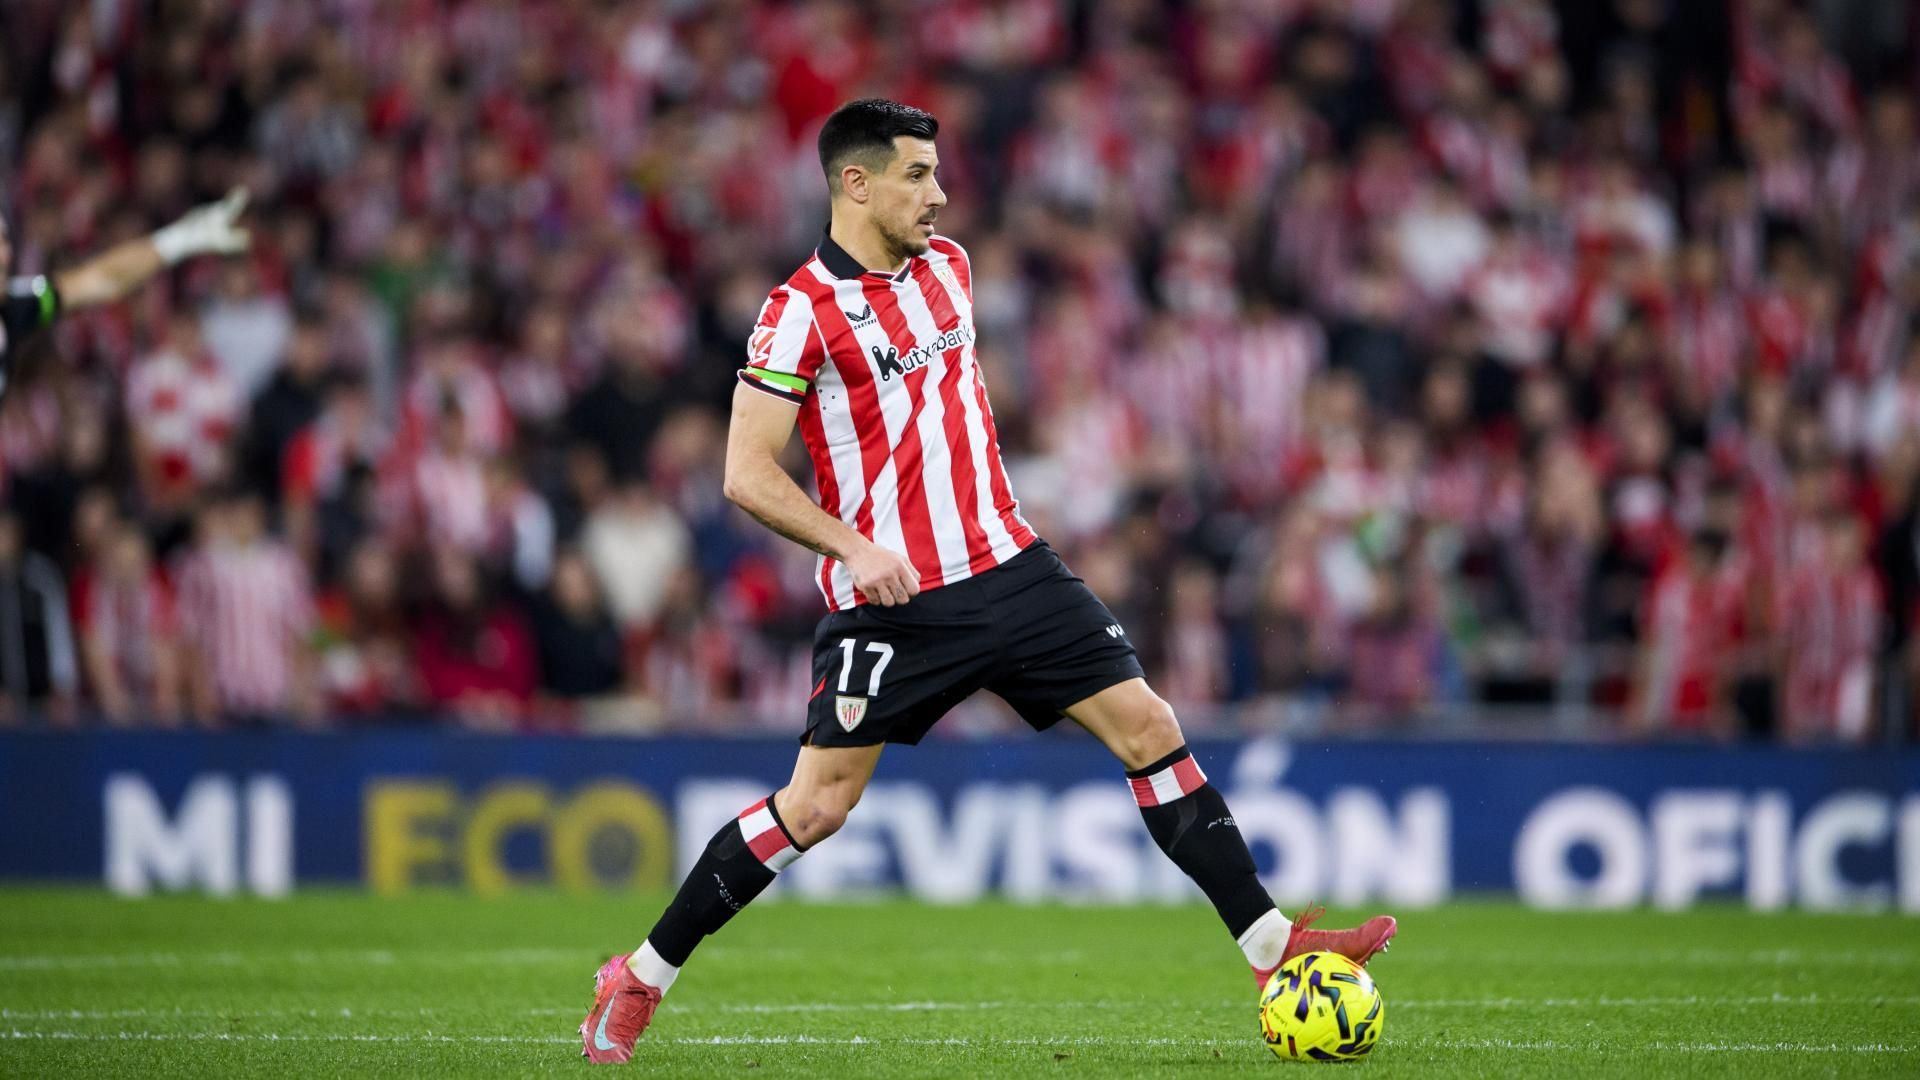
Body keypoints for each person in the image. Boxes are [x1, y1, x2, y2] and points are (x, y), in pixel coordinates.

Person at [579, 99, 1397, 1064]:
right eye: (917, 175)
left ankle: (1271, 947)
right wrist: (853, 547)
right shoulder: (798, 311)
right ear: (856, 183)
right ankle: (640, 976)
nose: (939, 193)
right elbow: (744, 474)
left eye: (938, 173)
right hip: (895, 601)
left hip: (1011, 566)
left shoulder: (952, 269)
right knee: (817, 807)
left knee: (1150, 728)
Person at [0, 189, 252, 400]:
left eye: (3, 240)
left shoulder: (18, 303)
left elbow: (102, 279)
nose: (4, 255)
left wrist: (181, 240)